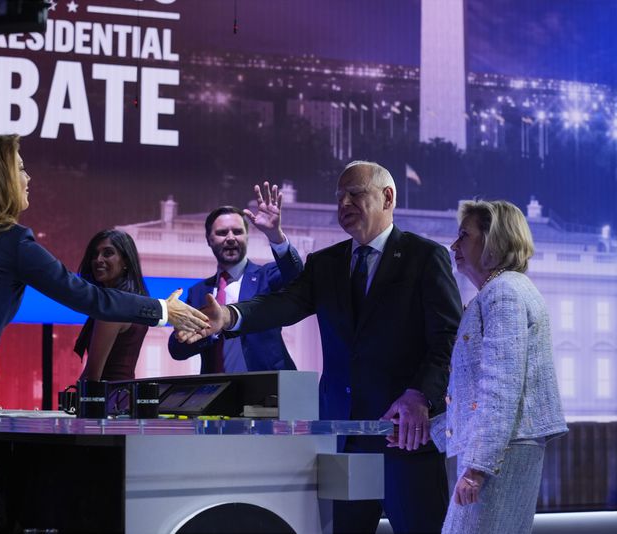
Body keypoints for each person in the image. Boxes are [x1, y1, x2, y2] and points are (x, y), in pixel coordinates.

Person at [0, 133, 208, 533]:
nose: (28, 177)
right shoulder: (13, 241)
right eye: (19, 168)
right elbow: (85, 296)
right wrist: (161, 309)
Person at [178, 161, 463, 533]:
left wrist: (421, 395)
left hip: (404, 435)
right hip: (343, 437)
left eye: (355, 194)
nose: (343, 203)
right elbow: (281, 304)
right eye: (339, 196)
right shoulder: (326, 264)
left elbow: (447, 336)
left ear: (387, 197)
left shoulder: (424, 257)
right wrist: (229, 317)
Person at [425, 200, 567, 534]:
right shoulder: (500, 292)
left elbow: (501, 386)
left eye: (464, 235)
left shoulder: (504, 293)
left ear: (493, 240)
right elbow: (477, 392)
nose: (454, 245)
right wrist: (428, 430)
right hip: (503, 448)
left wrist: (476, 467)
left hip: (500, 453)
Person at [168, 182, 303, 373]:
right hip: (216, 394)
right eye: (222, 233)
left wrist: (275, 236)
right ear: (209, 239)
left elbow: (297, 276)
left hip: (269, 391)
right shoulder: (198, 292)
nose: (231, 238)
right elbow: (177, 350)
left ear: (247, 237)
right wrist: (206, 332)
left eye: (238, 232)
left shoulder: (267, 277)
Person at [74, 229, 150, 381]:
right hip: (123, 397)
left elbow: (92, 376)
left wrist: (74, 401)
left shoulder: (114, 306)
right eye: (94, 255)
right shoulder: (133, 301)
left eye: (107, 253)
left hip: (107, 399)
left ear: (126, 261)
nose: (98, 259)